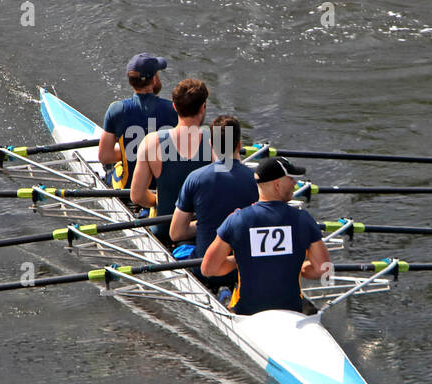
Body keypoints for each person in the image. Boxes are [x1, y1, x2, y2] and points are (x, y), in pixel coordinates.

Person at [200, 157, 331, 315]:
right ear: (277, 185)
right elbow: (324, 270)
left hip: (246, 313)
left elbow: (209, 269)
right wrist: (298, 265)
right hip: (292, 311)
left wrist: (241, 259)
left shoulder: (237, 220)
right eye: (291, 179)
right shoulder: (303, 219)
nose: (295, 183)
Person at [169, 115, 257, 276]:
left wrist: (205, 223)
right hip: (245, 269)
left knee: (181, 243)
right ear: (239, 144)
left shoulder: (195, 178)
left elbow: (176, 233)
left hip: (206, 268)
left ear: (211, 144)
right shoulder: (258, 181)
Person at [130, 79, 212, 245]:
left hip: (164, 230)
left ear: (174, 107)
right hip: (203, 230)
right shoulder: (217, 141)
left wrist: (156, 201)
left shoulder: (152, 142)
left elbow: (137, 196)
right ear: (203, 107)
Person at [97, 53, 179, 188]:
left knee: (114, 167)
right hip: (162, 189)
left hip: (128, 188)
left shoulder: (116, 109)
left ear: (130, 82)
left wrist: (129, 153)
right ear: (153, 79)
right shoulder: (174, 110)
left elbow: (104, 157)